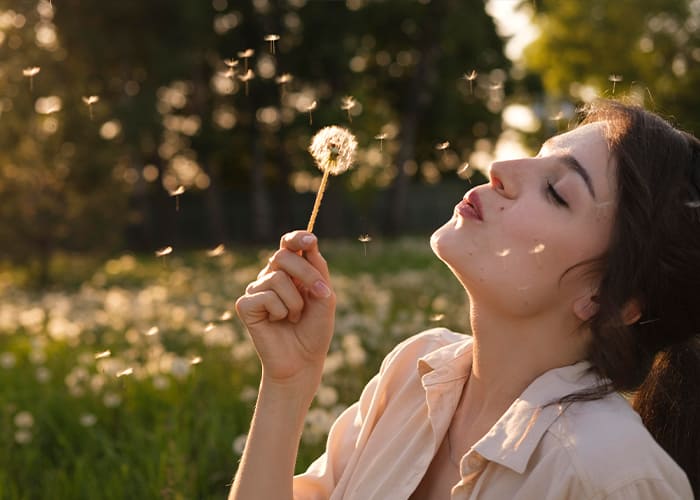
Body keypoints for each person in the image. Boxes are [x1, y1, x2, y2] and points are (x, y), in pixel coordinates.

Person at [229, 100, 699, 499]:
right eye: (536, 155)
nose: (501, 169)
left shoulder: (605, 476)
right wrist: (287, 384)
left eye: (556, 191)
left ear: (609, 299)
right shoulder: (414, 371)